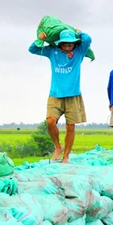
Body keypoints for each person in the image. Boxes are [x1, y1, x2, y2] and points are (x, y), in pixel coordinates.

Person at [29, 29, 92, 163]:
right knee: (50, 121)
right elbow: (32, 49)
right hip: (55, 94)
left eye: (70, 44)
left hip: (73, 95)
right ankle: (58, 146)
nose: (68, 47)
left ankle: (66, 156)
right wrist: (40, 39)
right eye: (65, 44)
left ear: (75, 44)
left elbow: (88, 39)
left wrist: (79, 32)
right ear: (60, 44)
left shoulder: (79, 53)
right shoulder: (52, 52)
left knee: (70, 127)